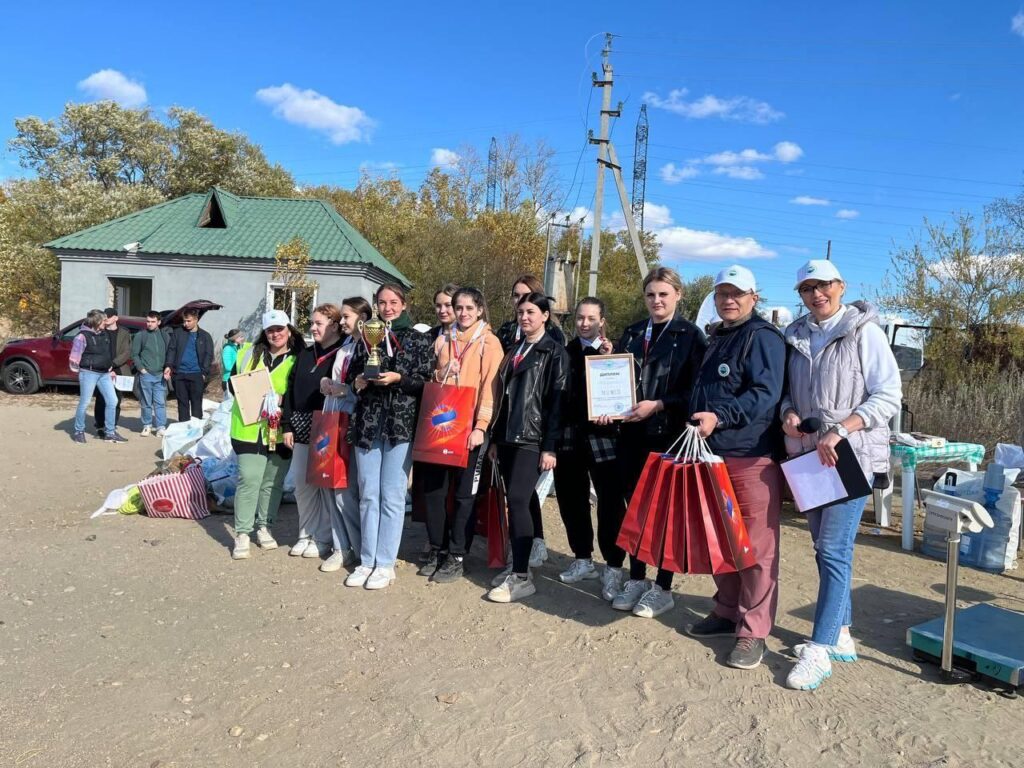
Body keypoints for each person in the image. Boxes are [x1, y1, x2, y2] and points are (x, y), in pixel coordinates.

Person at [781, 260, 902, 691]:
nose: (817, 294)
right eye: (807, 288)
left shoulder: (863, 331)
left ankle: (819, 649)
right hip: (810, 460)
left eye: (824, 286)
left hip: (850, 458)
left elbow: (888, 395)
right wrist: (790, 414)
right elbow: (785, 396)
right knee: (823, 547)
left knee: (833, 548)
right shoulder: (793, 335)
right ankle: (842, 634)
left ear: (841, 286)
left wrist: (841, 429)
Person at [684, 265, 787, 670]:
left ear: (753, 298)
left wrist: (720, 416)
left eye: (737, 293)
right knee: (722, 541)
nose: (728, 300)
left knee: (757, 549)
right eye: (722, 293)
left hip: (750, 457)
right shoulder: (718, 337)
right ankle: (727, 611)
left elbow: (765, 396)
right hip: (713, 455)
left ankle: (753, 632)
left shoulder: (763, 338)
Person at [605, 266, 707, 618]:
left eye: (664, 294)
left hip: (668, 434)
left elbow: (694, 390)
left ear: (678, 295)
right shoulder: (632, 333)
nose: (657, 300)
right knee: (635, 507)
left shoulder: (692, 337)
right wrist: (608, 407)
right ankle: (636, 577)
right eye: (651, 294)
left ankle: (662, 586)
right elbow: (614, 379)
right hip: (631, 434)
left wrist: (660, 404)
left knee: (665, 512)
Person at [344, 284, 434, 590]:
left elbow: (425, 382)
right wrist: (358, 381)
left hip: (400, 424)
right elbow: (353, 375)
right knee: (368, 493)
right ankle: (366, 560)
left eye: (393, 302)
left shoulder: (419, 339)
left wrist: (399, 378)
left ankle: (385, 563)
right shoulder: (369, 335)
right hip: (368, 423)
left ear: (404, 304)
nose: (388, 307)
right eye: (382, 302)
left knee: (392, 496)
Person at [486, 292, 569, 602]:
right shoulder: (514, 350)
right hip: (507, 437)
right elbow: (503, 399)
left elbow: (556, 403)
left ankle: (521, 575)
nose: (525, 317)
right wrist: (495, 439)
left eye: (531, 311)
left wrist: (550, 447)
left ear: (545, 315)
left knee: (519, 500)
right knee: (515, 499)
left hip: (532, 439)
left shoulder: (554, 353)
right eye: (521, 311)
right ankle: (516, 565)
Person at [419, 287, 504, 583]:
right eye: (459, 308)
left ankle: (457, 554)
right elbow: (430, 380)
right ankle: (438, 548)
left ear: (480, 310)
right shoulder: (442, 339)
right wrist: (442, 368)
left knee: (464, 496)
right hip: (441, 425)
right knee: (434, 491)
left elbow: (491, 388)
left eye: (469, 308)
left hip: (470, 430)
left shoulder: (489, 343)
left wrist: (481, 427)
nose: (463, 313)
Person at [552, 297, 628, 599]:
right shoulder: (564, 353)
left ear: (602, 321)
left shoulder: (616, 353)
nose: (584, 323)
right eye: (580, 318)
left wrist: (616, 413)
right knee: (572, 501)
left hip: (605, 439)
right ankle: (582, 559)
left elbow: (625, 395)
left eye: (591, 318)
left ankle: (612, 566)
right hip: (570, 437)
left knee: (610, 504)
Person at [228, 309, 304, 560]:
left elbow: (299, 391)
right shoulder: (248, 352)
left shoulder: (298, 357)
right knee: (249, 479)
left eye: (280, 329)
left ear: (289, 329)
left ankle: (264, 526)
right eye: (270, 330)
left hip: (280, 429)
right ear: (264, 332)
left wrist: (283, 399)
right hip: (248, 429)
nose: (276, 334)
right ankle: (242, 532)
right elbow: (232, 384)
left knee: (273, 482)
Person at [282, 304, 346, 561]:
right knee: (301, 482)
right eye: (312, 322)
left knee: (322, 483)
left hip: (326, 426)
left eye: (318, 323)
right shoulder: (306, 354)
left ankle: (322, 537)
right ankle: (305, 532)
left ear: (333, 325)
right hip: (300, 425)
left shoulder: (341, 353)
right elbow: (289, 389)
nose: (312, 327)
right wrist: (287, 425)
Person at [319, 297, 372, 573]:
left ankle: (358, 546)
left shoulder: (368, 348)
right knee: (329, 483)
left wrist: (344, 390)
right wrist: (326, 383)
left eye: (347, 317)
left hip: (350, 423)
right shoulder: (346, 346)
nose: (342, 322)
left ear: (362, 318)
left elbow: (364, 387)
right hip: (332, 419)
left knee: (345, 491)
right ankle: (341, 547)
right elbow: (340, 381)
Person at [68, 309, 125, 444]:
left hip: (104, 373)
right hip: (89, 373)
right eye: (103, 320)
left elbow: (107, 352)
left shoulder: (103, 334)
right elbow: (74, 357)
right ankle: (79, 431)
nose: (105, 323)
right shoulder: (81, 336)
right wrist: (81, 371)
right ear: (96, 321)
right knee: (85, 402)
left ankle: (110, 432)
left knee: (113, 401)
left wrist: (109, 366)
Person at [164, 309, 214, 422]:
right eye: (184, 321)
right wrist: (168, 366)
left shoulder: (205, 336)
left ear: (196, 320)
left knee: (196, 404)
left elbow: (208, 355)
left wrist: (204, 372)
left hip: (196, 375)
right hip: (179, 374)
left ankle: (195, 431)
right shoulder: (178, 333)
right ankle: (183, 429)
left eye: (188, 321)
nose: (185, 324)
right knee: (182, 404)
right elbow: (171, 350)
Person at [94, 307, 131, 438]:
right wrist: (106, 366)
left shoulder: (124, 333)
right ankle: (100, 426)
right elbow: (97, 351)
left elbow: (126, 352)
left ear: (115, 318)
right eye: (104, 317)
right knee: (101, 399)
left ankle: (112, 426)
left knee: (116, 400)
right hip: (102, 370)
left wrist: (113, 364)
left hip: (118, 370)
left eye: (108, 317)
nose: (106, 319)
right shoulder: (99, 332)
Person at [132, 311, 170, 437]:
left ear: (159, 322)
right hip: (146, 375)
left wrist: (168, 368)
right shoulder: (140, 335)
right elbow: (134, 354)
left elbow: (169, 354)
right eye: (148, 321)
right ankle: (147, 426)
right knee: (146, 402)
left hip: (161, 375)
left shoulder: (165, 336)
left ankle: (160, 427)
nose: (149, 324)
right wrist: (142, 369)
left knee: (160, 402)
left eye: (153, 321)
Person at [221, 329, 246, 394]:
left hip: (235, 379)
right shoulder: (228, 349)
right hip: (228, 380)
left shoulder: (238, 348)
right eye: (241, 337)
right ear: (235, 338)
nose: (243, 338)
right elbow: (228, 366)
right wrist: (241, 367)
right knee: (229, 403)